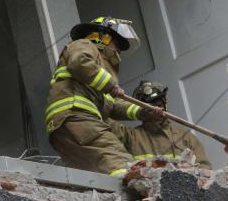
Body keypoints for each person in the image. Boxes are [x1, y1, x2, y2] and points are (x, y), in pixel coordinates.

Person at [45, 16, 165, 181]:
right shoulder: (84, 45)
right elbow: (79, 63)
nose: (118, 52)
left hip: (65, 126)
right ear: (102, 37)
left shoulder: (98, 76)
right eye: (117, 45)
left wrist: (143, 112)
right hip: (76, 117)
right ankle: (143, 191)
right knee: (116, 157)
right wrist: (109, 85)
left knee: (96, 172)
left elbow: (112, 105)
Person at [117, 80, 212, 170]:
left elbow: (204, 167)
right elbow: (104, 120)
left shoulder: (185, 136)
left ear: (165, 104)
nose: (157, 110)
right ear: (141, 110)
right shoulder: (131, 136)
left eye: (159, 104)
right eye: (150, 107)